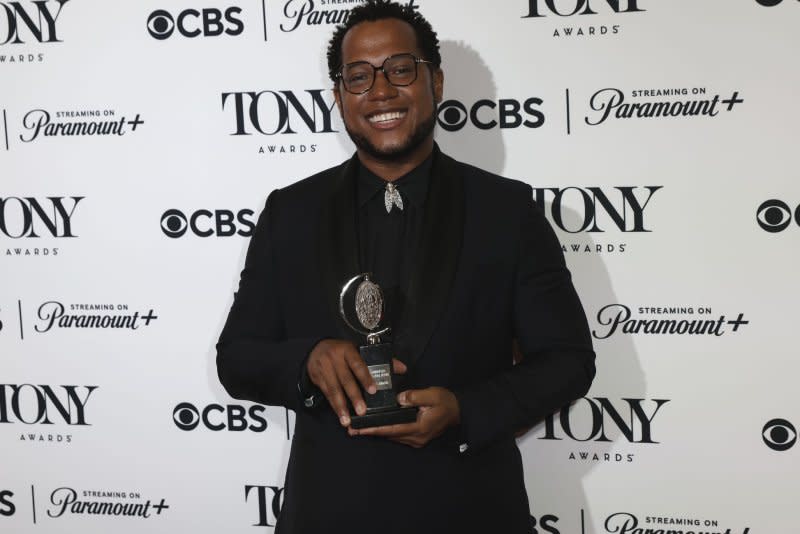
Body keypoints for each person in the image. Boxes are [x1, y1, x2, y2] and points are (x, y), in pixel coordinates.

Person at [216, 1, 595, 532]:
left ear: (435, 82)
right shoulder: (290, 212)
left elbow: (568, 360)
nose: (381, 91)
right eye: (358, 76)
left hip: (470, 510)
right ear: (339, 96)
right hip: (329, 513)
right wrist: (307, 361)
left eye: (399, 69)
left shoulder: (507, 211)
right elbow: (236, 358)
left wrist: (465, 409)